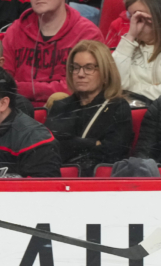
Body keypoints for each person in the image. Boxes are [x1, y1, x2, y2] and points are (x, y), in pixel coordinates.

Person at [45, 40, 133, 177]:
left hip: (98, 182)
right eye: (76, 67)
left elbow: (112, 154)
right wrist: (93, 143)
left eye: (89, 68)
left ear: (105, 73)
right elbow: (50, 150)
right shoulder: (60, 106)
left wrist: (72, 143)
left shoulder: (118, 107)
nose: (80, 74)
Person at [2, 0, 104, 107]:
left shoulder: (88, 34)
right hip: (18, 110)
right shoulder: (14, 31)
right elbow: (4, 85)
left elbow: (79, 86)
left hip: (70, 111)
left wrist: (23, 88)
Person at [113, 0, 161, 102]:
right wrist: (130, 36)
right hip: (127, 108)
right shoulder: (127, 46)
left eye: (139, 17)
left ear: (156, 15)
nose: (133, 23)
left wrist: (131, 92)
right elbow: (115, 84)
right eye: (131, 17)